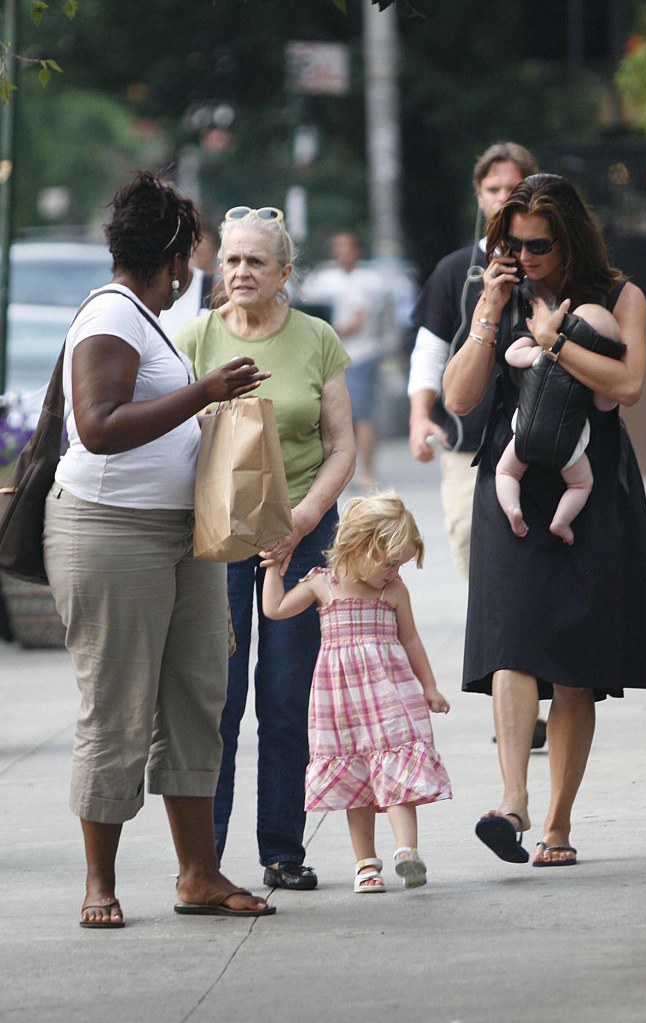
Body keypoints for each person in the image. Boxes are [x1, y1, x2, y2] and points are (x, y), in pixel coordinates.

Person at [43, 170, 276, 927]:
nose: (194, 277)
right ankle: (100, 884)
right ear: (173, 257)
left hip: (181, 538)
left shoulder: (145, 320)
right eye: (193, 261)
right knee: (115, 706)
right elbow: (101, 424)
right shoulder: (111, 316)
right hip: (112, 535)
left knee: (195, 700)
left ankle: (198, 874)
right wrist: (203, 394)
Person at [442, 172, 646, 867]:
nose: (525, 257)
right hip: (511, 482)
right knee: (510, 640)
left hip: (588, 486)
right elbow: (459, 399)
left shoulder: (619, 295)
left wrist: (551, 339)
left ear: (569, 236)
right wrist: (491, 310)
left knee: (574, 661)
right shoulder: (501, 293)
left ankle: (555, 821)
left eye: (537, 245)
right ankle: (510, 801)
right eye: (511, 245)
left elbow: (628, 384)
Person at [175, 205, 356, 891]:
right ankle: (206, 858)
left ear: (284, 272)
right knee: (216, 700)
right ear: (216, 268)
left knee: (286, 697)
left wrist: (305, 518)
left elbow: (344, 445)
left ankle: (282, 848)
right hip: (219, 538)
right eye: (231, 260)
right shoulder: (194, 338)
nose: (242, 271)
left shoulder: (316, 339)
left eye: (256, 261)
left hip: (303, 537)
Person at [408, 141, 547, 751]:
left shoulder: (553, 269)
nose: (501, 199)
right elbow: (429, 351)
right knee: (478, 553)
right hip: (470, 448)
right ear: (479, 196)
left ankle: (532, 678)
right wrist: (419, 418)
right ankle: (511, 684)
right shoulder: (455, 272)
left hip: (547, 444)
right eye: (493, 190)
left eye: (513, 189)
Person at [261, 493, 452, 893]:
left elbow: (411, 639)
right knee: (355, 784)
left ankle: (407, 852)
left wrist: (429, 686)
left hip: (389, 696)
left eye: (400, 564)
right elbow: (275, 610)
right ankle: (366, 865)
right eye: (389, 563)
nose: (394, 572)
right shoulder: (322, 584)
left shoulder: (394, 591)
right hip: (342, 702)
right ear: (359, 546)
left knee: (397, 772)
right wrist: (274, 570)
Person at [496, 304, 620, 545]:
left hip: (524, 435)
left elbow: (511, 355)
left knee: (506, 472)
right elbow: (605, 404)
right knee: (581, 484)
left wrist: (536, 338)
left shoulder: (542, 354)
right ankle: (561, 522)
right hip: (567, 448)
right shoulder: (590, 375)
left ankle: (512, 508)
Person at [301, 231, 386, 489]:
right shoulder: (324, 279)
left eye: (347, 247)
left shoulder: (368, 280)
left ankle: (368, 471)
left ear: (357, 250)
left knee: (361, 414)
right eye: (338, 247)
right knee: (330, 415)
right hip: (327, 357)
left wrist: (328, 332)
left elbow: (358, 321)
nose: (342, 252)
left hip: (360, 354)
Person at [160, 218, 220, 335]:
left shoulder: (215, 288)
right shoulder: (149, 287)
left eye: (203, 251)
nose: (198, 256)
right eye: (196, 250)